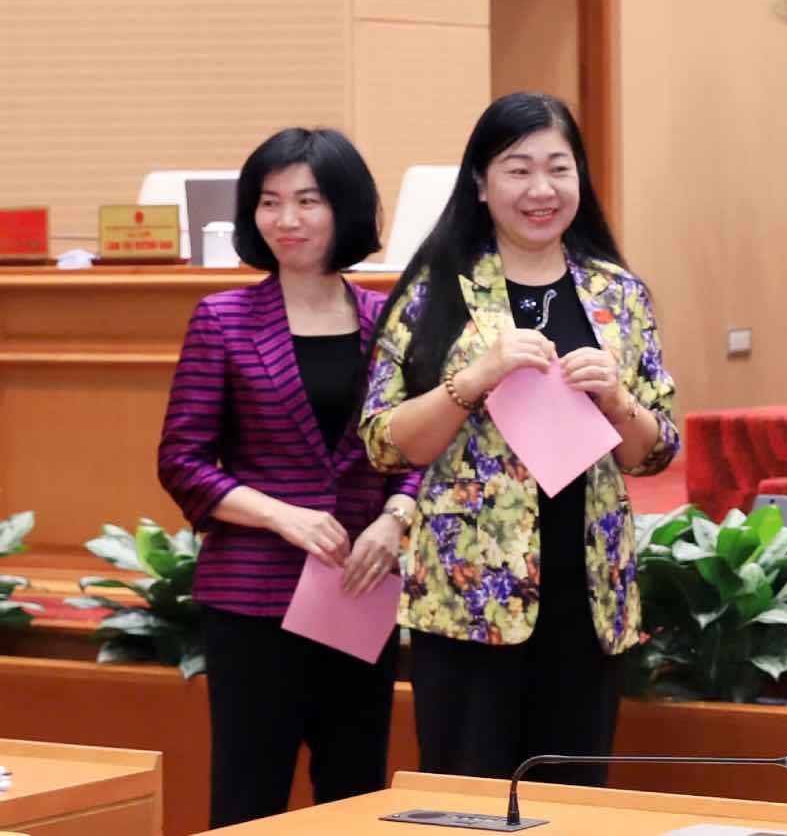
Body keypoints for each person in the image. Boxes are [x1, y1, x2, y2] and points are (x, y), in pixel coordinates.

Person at [361, 92, 679, 783]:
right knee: (466, 805)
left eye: (558, 169)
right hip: (469, 602)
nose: (541, 190)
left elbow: (654, 451)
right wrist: (471, 380)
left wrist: (617, 398)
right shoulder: (432, 291)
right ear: (479, 183)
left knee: (574, 807)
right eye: (517, 170)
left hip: (588, 599)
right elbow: (386, 443)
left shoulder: (618, 295)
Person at [157, 129, 418, 829]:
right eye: (270, 202)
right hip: (250, 601)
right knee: (248, 796)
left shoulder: (391, 320)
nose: (288, 220)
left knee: (356, 794)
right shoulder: (222, 320)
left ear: (347, 209)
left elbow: (420, 449)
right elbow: (182, 462)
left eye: (308, 200)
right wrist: (282, 515)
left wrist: (396, 519)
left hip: (358, 587)